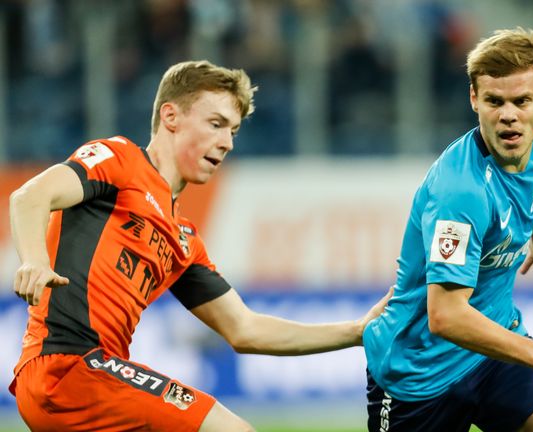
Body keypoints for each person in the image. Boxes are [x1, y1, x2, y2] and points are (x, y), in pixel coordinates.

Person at [9, 60, 392, 432]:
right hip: (67, 367)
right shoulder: (120, 160)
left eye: (233, 131)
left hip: (95, 379)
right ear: (171, 117)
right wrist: (34, 262)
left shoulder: (184, 240)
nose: (225, 143)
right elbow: (29, 198)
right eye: (215, 124)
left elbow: (246, 329)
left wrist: (358, 331)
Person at [363, 28, 533, 432]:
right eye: (494, 101)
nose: (509, 114)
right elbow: (446, 316)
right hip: (420, 372)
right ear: (474, 99)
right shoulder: (460, 194)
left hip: (494, 352)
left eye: (522, 101)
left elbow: (532, 186)